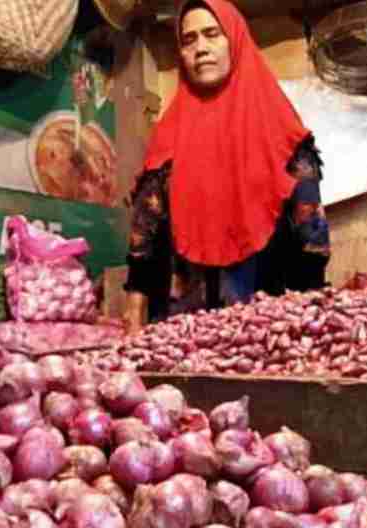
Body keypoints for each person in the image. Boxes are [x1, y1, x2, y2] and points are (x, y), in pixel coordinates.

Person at [123, 0, 330, 331]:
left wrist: (311, 318)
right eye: (188, 40)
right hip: (180, 328)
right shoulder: (169, 135)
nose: (201, 48)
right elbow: (144, 231)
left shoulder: (280, 130)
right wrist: (134, 312)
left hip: (268, 324)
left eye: (211, 34)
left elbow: (311, 234)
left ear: (235, 40)